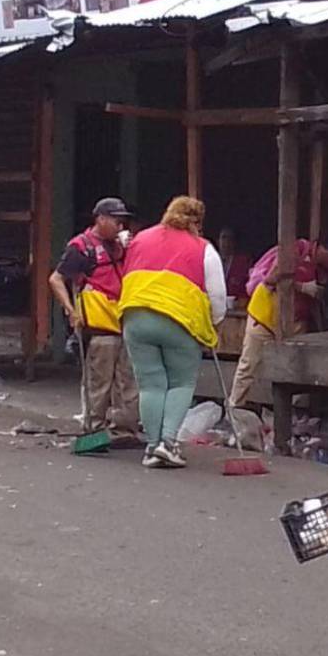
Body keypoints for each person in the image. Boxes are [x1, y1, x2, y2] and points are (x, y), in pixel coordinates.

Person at [116, 196, 226, 469]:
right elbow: (218, 294)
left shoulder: (140, 239)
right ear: (197, 222)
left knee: (150, 384)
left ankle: (152, 447)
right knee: (181, 382)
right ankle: (168, 443)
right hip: (179, 321)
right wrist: (213, 322)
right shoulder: (203, 248)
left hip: (135, 316)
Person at [48, 197, 141, 447]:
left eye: (122, 220)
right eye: (115, 219)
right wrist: (70, 310)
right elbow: (56, 279)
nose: (120, 224)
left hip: (125, 320)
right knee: (99, 382)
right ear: (100, 219)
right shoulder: (81, 247)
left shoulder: (122, 245)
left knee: (128, 381)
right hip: (99, 324)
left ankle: (125, 431)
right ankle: (94, 430)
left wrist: (130, 248)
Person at [227, 236, 328, 412]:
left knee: (298, 365)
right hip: (265, 314)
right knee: (249, 363)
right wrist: (303, 287)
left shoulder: (322, 270)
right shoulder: (295, 250)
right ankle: (234, 407)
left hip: (295, 321)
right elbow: (271, 278)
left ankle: (294, 411)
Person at [217, 227, 251, 304]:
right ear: (218, 241)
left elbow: (247, 287)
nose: (226, 242)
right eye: (223, 238)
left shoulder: (243, 263)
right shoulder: (211, 261)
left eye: (230, 239)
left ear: (234, 242)